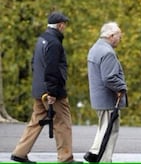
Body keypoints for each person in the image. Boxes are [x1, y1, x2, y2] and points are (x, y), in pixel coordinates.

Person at [11, 11, 81, 163]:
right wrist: (52, 91)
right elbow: (52, 68)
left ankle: (19, 153)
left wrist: (41, 87)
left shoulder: (41, 39)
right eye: (65, 25)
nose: (65, 28)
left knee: (35, 122)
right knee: (62, 123)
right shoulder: (54, 43)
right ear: (60, 25)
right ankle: (65, 157)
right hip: (52, 92)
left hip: (39, 89)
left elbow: (34, 64)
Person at [84, 22, 128, 163]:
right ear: (111, 36)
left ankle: (94, 153)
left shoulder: (95, 48)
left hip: (99, 98)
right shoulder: (107, 52)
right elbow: (109, 78)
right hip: (108, 99)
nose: (120, 39)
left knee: (103, 127)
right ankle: (104, 159)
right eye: (119, 36)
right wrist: (122, 87)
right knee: (110, 131)